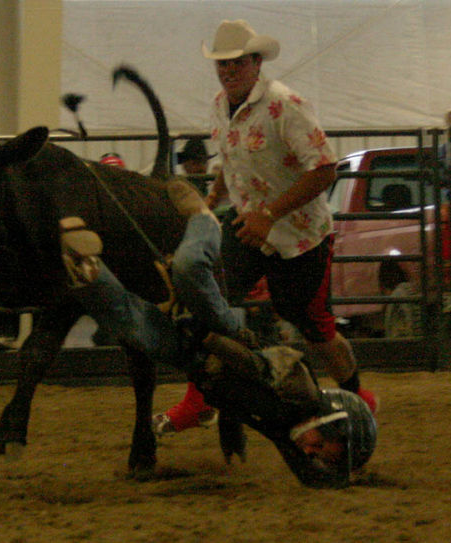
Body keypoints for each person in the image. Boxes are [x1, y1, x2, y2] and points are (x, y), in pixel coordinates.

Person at [61, 180, 376, 488]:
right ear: (327, 419)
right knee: (188, 270)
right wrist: (209, 337)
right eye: (319, 447)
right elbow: (253, 365)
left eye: (314, 456)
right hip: (224, 335)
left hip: (197, 361)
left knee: (132, 324)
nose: (309, 452)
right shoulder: (300, 389)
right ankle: (203, 218)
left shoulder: (285, 427)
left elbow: (304, 467)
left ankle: (84, 265)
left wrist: (331, 476)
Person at [154, 19, 377, 436]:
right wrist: (211, 202)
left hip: (300, 238)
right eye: (222, 63)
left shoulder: (284, 103)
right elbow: (230, 158)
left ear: (257, 63)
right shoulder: (221, 106)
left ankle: (358, 396)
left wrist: (270, 214)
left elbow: (325, 168)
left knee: (314, 328)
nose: (227, 70)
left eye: (237, 62)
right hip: (248, 230)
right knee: (207, 298)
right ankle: (199, 401)